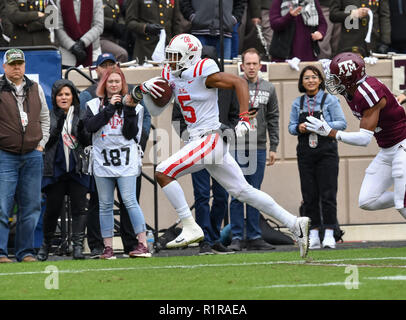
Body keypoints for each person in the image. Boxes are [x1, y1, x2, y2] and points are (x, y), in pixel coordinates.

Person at [139, 33, 311, 258]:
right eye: (170, 56)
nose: (170, 60)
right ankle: (295, 223)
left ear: (190, 56)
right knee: (243, 191)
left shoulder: (203, 72)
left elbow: (239, 82)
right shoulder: (171, 74)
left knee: (163, 171)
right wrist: (146, 90)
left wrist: (244, 117)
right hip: (200, 140)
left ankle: (190, 226)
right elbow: (156, 111)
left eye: (175, 56)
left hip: (209, 137)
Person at [305, 52, 406, 229]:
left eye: (335, 77)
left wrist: (330, 132)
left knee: (402, 203)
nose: (332, 81)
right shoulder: (351, 88)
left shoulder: (367, 92)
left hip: (402, 145)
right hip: (388, 148)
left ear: (349, 78)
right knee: (368, 200)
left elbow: (363, 139)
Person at [80, 52, 151, 258]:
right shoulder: (93, 105)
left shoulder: (134, 106)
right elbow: (90, 127)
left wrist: (127, 110)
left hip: (126, 160)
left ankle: (142, 243)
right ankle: (108, 246)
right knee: (104, 204)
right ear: (104, 83)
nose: (113, 85)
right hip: (103, 160)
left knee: (130, 200)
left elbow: (131, 133)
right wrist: (109, 108)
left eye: (117, 81)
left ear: (123, 84)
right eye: (109, 81)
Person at [171, 46, 239, 255]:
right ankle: (204, 241)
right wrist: (190, 138)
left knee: (221, 195)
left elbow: (235, 115)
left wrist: (229, 132)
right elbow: (177, 118)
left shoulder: (225, 87)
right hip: (197, 144)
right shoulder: (186, 85)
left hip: (218, 144)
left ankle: (213, 236)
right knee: (201, 195)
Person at [0, 49, 50, 263]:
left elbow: (46, 118)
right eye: (12, 64)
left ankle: (25, 252)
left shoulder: (35, 88)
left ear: (25, 65)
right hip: (5, 155)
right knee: (2, 206)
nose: (17, 67)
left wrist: (41, 145)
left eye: (20, 63)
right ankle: (1, 253)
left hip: (32, 155)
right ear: (4, 67)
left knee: (31, 206)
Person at [289, 65, 347, 249]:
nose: (310, 81)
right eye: (306, 78)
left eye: (314, 77)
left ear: (320, 80)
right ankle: (313, 233)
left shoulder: (330, 100)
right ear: (302, 82)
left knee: (328, 193)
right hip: (305, 152)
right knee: (309, 194)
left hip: (326, 151)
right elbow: (291, 127)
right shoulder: (297, 103)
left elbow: (342, 123)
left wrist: (323, 126)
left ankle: (329, 232)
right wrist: (299, 128)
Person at [228, 48, 279, 252]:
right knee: (237, 191)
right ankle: (237, 236)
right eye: (247, 63)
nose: (251, 67)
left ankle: (255, 235)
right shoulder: (233, 86)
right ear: (242, 65)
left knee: (255, 192)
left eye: (254, 63)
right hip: (237, 146)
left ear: (260, 65)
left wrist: (273, 146)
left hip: (258, 146)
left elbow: (273, 117)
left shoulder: (269, 88)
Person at [37, 79, 92, 261]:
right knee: (52, 209)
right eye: (60, 94)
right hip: (55, 169)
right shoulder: (49, 115)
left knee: (79, 209)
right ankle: (45, 246)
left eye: (67, 94)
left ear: (73, 96)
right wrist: (58, 126)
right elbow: (46, 143)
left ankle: (77, 247)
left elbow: (87, 142)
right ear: (55, 97)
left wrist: (84, 131)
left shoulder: (82, 114)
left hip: (77, 169)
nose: (64, 97)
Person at [180, 0, 245, 60]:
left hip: (224, 33)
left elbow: (240, 2)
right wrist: (193, 17)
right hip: (199, 32)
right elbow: (184, 2)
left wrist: (233, 19)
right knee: (199, 68)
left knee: (224, 69)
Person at [125, 0, 184, 65]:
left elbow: (176, 23)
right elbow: (130, 22)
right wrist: (146, 27)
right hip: (146, 48)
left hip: (167, 48)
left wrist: (178, 43)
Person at [55, 0, 104, 68]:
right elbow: (58, 28)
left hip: (92, 54)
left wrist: (82, 43)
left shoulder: (96, 1)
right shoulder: (59, 1)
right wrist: (72, 47)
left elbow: (99, 26)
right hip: (67, 56)